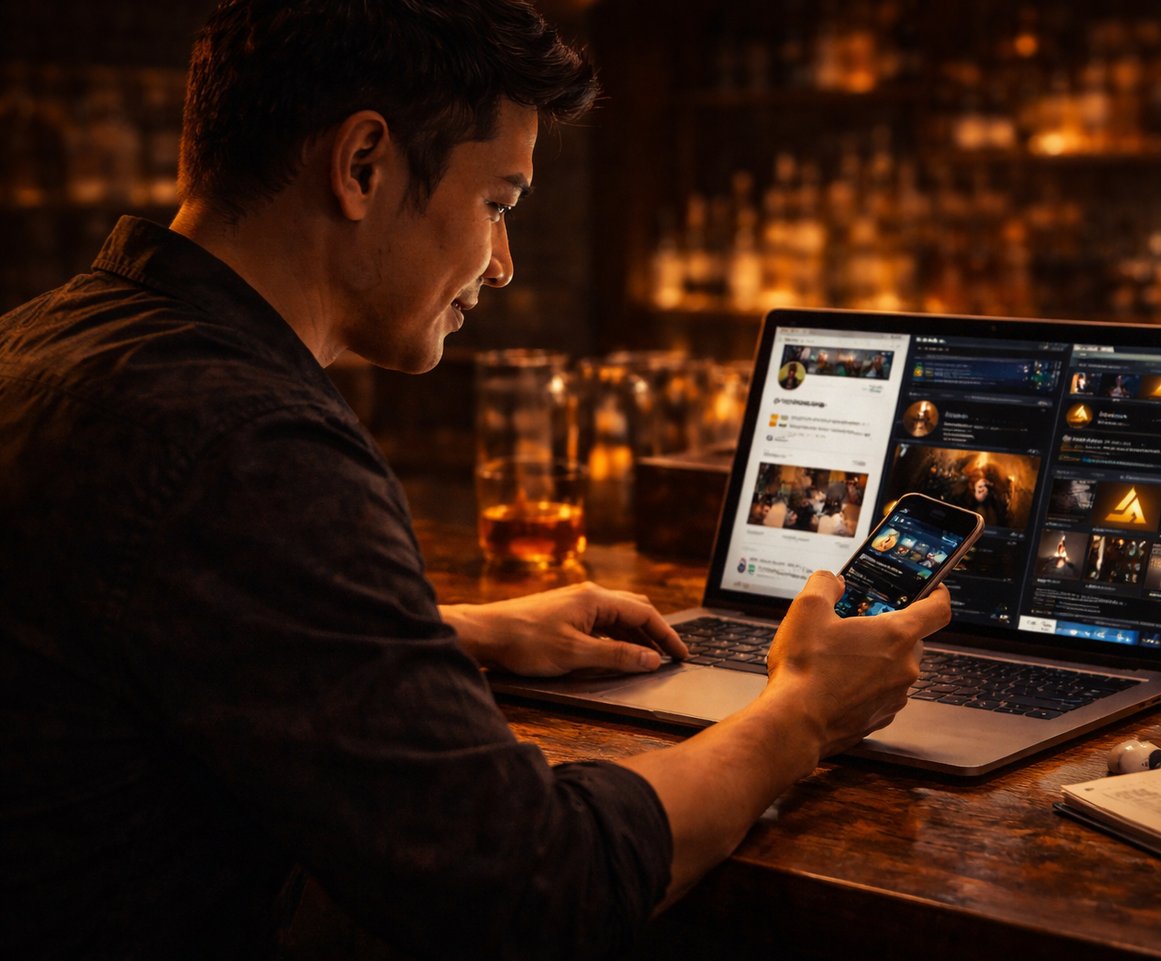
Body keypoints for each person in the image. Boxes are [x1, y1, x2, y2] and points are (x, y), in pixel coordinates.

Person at [0, 2, 951, 959]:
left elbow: (118, 638)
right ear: (363, 164)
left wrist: (449, 631)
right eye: (498, 204)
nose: (502, 266)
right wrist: (801, 714)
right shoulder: (252, 445)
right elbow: (535, 882)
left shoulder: (44, 342)